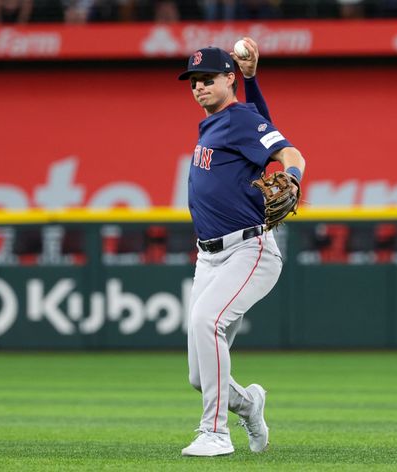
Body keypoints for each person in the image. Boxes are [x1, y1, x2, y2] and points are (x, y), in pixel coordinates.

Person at [177, 39, 306, 457]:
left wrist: (292, 176)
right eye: (193, 81)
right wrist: (252, 82)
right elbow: (262, 125)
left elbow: (289, 150)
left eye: (207, 79)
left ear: (228, 79)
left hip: (248, 250)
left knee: (205, 319)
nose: (198, 87)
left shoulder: (236, 116)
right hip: (209, 256)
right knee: (201, 375)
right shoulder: (217, 122)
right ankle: (249, 405)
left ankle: (214, 432)